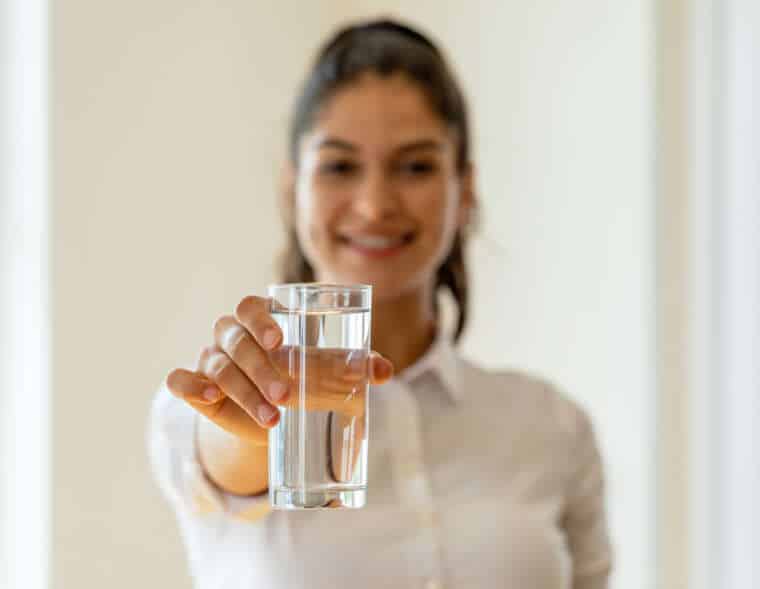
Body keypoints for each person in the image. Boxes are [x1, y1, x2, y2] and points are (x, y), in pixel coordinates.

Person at [148, 18, 612, 589]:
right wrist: (259, 417)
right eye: (340, 166)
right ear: (293, 191)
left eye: (415, 166)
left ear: (464, 189)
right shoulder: (211, 401)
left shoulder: (550, 426)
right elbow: (231, 457)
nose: (374, 205)